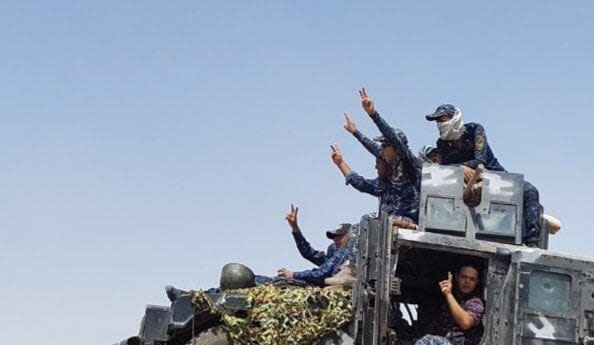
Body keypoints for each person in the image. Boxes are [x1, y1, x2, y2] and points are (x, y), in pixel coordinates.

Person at [163, 205, 353, 300]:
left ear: (347, 236)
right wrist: (295, 228)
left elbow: (322, 275)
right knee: (257, 280)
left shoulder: (346, 252)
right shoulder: (334, 251)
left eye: (338, 236)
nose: (334, 240)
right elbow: (310, 254)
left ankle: (196, 298)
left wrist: (293, 274)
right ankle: (198, 296)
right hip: (311, 284)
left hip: (314, 289)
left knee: (253, 282)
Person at [425, 103, 544, 246]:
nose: (440, 124)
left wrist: (462, 167)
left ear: (454, 118)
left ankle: (532, 242)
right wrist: (461, 169)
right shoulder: (442, 144)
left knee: (530, 191)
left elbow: (480, 160)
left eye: (442, 119)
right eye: (438, 121)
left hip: (495, 175)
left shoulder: (475, 130)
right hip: (463, 183)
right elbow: (444, 170)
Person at [333, 88, 422, 222]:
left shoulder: (410, 166)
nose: (381, 150)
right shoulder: (386, 183)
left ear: (394, 148)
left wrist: (373, 114)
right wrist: (341, 161)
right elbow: (361, 183)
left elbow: (392, 138)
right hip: (387, 231)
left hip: (408, 228)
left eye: (384, 146)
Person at [395, 264, 485, 345]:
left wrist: (448, 294)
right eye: (464, 277)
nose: (467, 281)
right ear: (457, 277)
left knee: (431, 342)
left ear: (477, 282)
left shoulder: (475, 302)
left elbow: (465, 322)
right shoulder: (449, 298)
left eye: (472, 279)